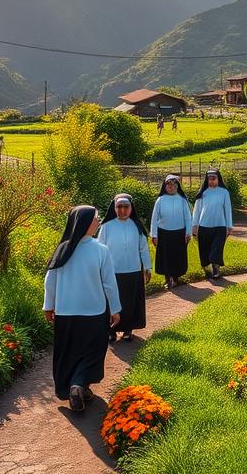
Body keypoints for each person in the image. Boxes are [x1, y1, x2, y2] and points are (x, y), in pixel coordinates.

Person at [43, 205, 121, 412]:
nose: (98, 222)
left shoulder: (62, 249)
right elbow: (109, 284)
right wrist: (115, 309)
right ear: (85, 223)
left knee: (69, 352)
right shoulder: (100, 250)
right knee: (93, 352)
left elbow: (50, 281)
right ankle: (79, 385)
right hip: (94, 313)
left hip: (65, 313)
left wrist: (48, 306)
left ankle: (77, 387)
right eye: (96, 219)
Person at [97, 193, 151, 343]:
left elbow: (143, 249)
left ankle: (128, 329)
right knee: (112, 301)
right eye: (119, 207)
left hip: (133, 270)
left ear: (131, 208)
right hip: (112, 271)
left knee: (130, 301)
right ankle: (111, 331)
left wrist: (147, 267)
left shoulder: (137, 226)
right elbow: (99, 249)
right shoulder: (106, 226)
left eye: (125, 207)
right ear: (114, 208)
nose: (122, 210)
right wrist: (98, 268)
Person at [150, 175, 192, 290]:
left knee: (177, 256)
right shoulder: (160, 200)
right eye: (168, 185)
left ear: (178, 186)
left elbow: (188, 218)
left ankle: (176, 278)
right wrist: (154, 235)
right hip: (163, 233)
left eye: (174, 184)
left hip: (179, 233)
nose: (171, 187)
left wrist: (188, 233)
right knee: (165, 256)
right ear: (165, 186)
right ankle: (168, 279)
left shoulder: (183, 200)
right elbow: (154, 219)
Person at [192, 169, 233, 279]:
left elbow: (227, 210)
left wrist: (229, 227)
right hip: (203, 226)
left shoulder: (224, 192)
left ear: (218, 178)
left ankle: (216, 268)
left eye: (213, 178)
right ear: (207, 179)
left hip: (220, 226)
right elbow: (197, 210)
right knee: (204, 249)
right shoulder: (203, 193)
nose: (211, 180)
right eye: (209, 178)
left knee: (217, 248)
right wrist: (194, 226)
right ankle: (206, 267)